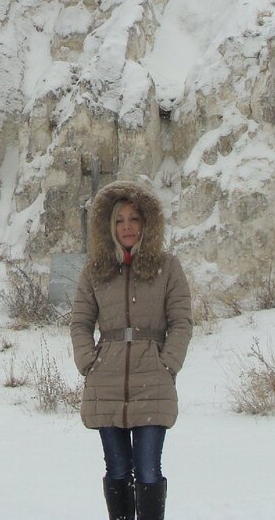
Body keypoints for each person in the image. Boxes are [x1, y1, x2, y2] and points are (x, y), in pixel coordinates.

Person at [71, 180, 192, 520]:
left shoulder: (167, 267)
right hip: (105, 381)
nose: (127, 226)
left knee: (149, 471)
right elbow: (80, 322)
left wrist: (167, 364)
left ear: (146, 224)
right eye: (120, 220)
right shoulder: (95, 269)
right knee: (118, 471)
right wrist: (88, 362)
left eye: (134, 219)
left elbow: (181, 322)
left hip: (152, 380)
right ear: (109, 226)